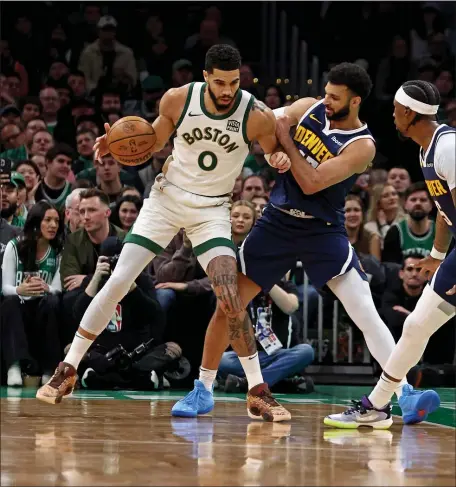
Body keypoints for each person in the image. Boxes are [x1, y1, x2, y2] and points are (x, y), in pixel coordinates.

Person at [37, 44, 292, 422]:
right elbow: (153, 141)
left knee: (229, 293)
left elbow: (271, 150)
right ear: (205, 77)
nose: (227, 90)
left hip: (211, 210)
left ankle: (257, 391)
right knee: (119, 279)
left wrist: (278, 158)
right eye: (220, 82)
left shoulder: (255, 114)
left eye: (233, 83)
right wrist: (117, 148)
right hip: (166, 200)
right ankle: (68, 368)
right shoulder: (177, 99)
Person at [173, 62, 412, 421]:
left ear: (356, 101)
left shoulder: (363, 146)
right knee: (228, 304)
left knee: (364, 311)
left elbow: (312, 181)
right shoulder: (308, 107)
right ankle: (202, 389)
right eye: (326, 93)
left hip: (322, 230)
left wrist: (286, 141)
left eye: (335, 97)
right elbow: (266, 122)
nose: (326, 100)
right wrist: (273, 151)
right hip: (277, 224)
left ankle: (403, 390)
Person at [324, 80, 455, 429]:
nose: (393, 116)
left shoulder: (448, 148)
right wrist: (438, 255)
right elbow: (444, 210)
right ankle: (377, 405)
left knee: (416, 327)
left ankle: (377, 404)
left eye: (396, 110)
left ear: (410, 113)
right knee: (415, 327)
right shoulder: (427, 150)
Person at [1, 201, 63, 386]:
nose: (53, 225)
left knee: (52, 302)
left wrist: (46, 288)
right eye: (48, 220)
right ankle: (14, 367)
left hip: (43, 309)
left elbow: (58, 288)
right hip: (20, 308)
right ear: (36, 222)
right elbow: (6, 287)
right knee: (10, 301)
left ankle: (48, 369)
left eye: (57, 221)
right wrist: (20, 290)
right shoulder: (14, 246)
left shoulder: (58, 250)